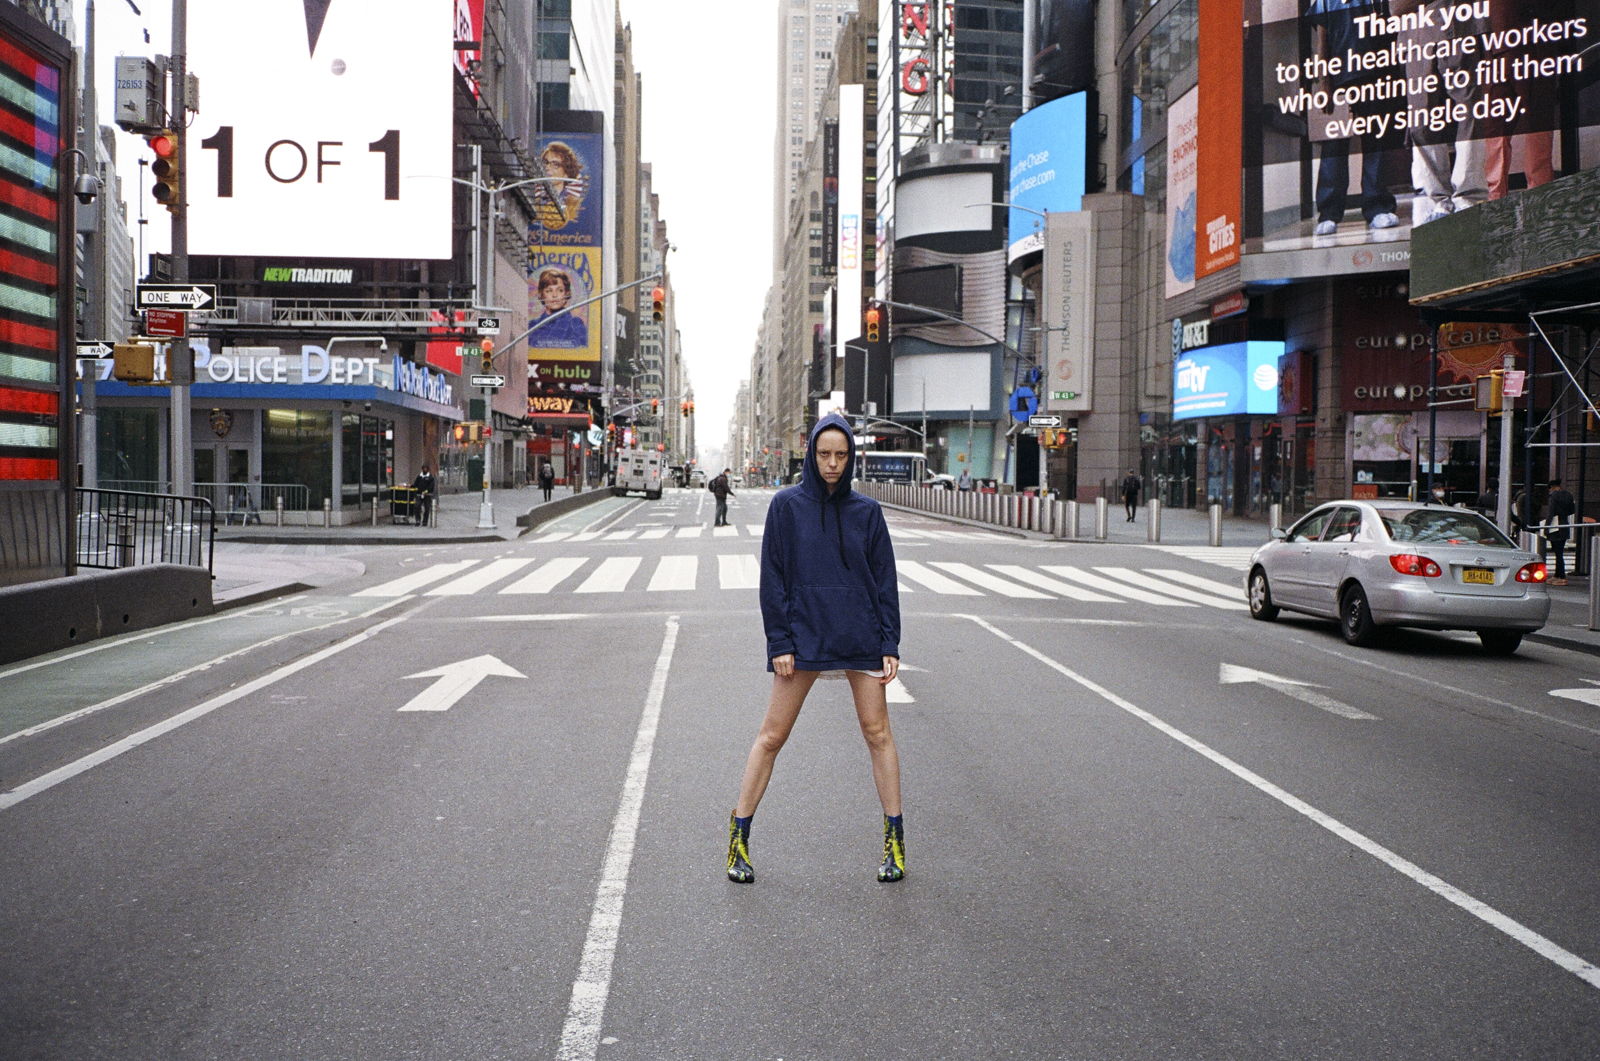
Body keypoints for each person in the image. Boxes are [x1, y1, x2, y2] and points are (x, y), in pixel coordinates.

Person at [729, 413, 904, 885]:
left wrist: (889, 641)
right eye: (824, 454)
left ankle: (894, 843)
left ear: (851, 458)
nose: (832, 464)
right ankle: (738, 839)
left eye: (841, 455)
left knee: (878, 734)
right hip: (804, 636)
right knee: (771, 736)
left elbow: (885, 580)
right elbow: (773, 578)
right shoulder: (786, 507)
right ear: (811, 454)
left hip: (861, 636)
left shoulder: (868, 512)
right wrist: (779, 641)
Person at [531, 270, 589, 348]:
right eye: (549, 291)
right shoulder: (532, 326)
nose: (554, 295)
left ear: (567, 293)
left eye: (560, 290)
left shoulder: (575, 324)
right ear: (541, 294)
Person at [1546, 479, 1576, 585]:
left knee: (1557, 552)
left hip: (1555, 526)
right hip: (1564, 524)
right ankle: (1557, 574)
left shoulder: (1553, 496)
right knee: (1560, 551)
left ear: (1552, 487)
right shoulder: (1568, 495)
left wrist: (1546, 527)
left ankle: (1561, 576)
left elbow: (1550, 513)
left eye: (1550, 489)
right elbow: (1572, 510)